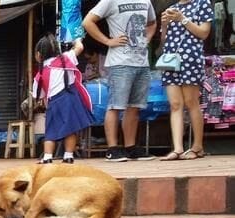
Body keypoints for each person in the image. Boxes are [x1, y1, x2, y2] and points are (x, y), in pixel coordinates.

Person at [83, 0, 158, 162]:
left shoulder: (145, 1)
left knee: (134, 106)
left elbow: (152, 23)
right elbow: (88, 22)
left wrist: (147, 38)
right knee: (115, 105)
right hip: (119, 62)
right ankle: (113, 148)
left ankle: (131, 147)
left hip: (141, 62)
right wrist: (108, 41)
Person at [157, 0, 213, 161]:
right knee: (175, 104)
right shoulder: (172, 8)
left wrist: (182, 19)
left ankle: (197, 146)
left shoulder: (202, 3)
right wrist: (165, 25)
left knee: (191, 102)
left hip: (191, 58)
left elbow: (204, 33)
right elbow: (164, 41)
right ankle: (178, 148)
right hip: (170, 60)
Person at [33, 35, 95, 164]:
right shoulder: (66, 57)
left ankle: (47, 157)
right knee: (70, 129)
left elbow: (38, 95)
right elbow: (80, 47)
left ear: (38, 55)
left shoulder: (41, 73)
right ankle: (68, 156)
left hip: (54, 102)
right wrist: (77, 38)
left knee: (50, 131)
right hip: (71, 100)